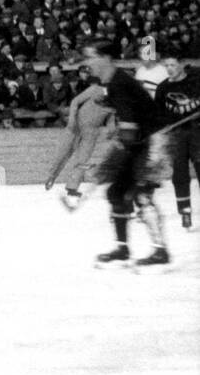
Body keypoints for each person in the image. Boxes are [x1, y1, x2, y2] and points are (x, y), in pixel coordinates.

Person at [82, 40, 171, 267]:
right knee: (116, 192)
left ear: (106, 58)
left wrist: (115, 158)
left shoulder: (120, 82)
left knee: (141, 194)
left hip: (152, 141)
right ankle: (122, 249)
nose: (87, 62)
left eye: (91, 56)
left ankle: (161, 252)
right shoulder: (112, 83)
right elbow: (125, 121)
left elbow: (129, 129)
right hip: (138, 141)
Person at [45, 80, 114, 210]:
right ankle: (52, 176)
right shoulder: (94, 89)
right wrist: (71, 118)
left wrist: (111, 128)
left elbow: (111, 117)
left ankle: (72, 187)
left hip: (92, 132)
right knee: (63, 153)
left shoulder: (116, 99)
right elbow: (75, 101)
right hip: (76, 125)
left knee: (82, 160)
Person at [154, 48, 200, 230]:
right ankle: (185, 211)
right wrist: (161, 126)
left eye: (173, 64)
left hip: (198, 133)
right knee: (179, 174)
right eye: (166, 65)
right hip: (176, 136)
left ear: (181, 64)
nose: (169, 68)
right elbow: (158, 114)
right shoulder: (163, 88)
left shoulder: (197, 80)